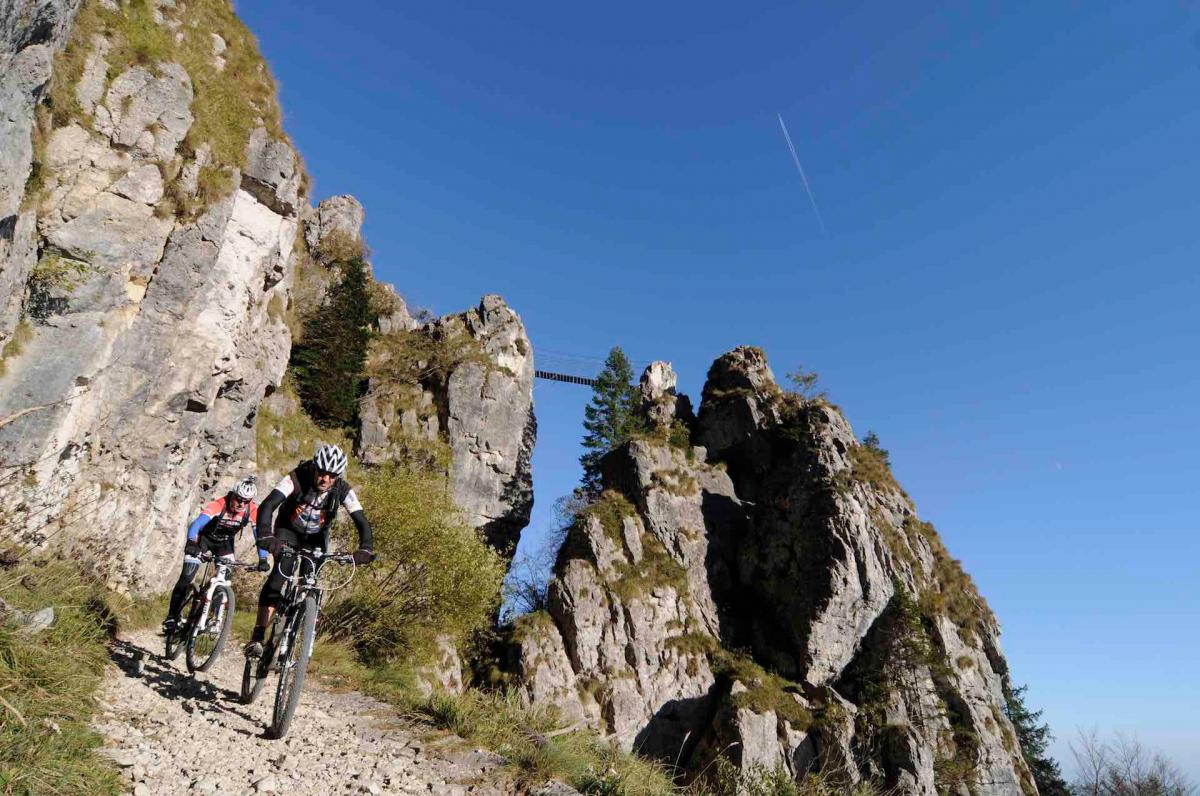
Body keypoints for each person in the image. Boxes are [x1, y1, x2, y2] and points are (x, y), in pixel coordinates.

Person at [245, 444, 374, 657]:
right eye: (322, 473)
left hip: (316, 538)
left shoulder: (342, 489)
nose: (326, 479)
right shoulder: (296, 477)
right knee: (280, 574)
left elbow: (361, 520)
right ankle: (258, 635)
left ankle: (297, 633)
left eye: (332, 476)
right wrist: (267, 535)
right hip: (287, 530)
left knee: (311, 583)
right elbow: (268, 505)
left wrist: (366, 549)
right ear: (314, 468)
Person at [163, 477, 265, 635]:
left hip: (224, 544)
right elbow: (196, 524)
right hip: (203, 540)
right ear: (233, 495)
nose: (241, 504)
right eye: (238, 499)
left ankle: (212, 618)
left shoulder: (251, 510)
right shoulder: (219, 504)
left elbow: (260, 537)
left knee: (225, 581)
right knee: (187, 575)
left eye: (246, 501)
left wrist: (263, 558)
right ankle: (171, 616)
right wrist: (191, 542)